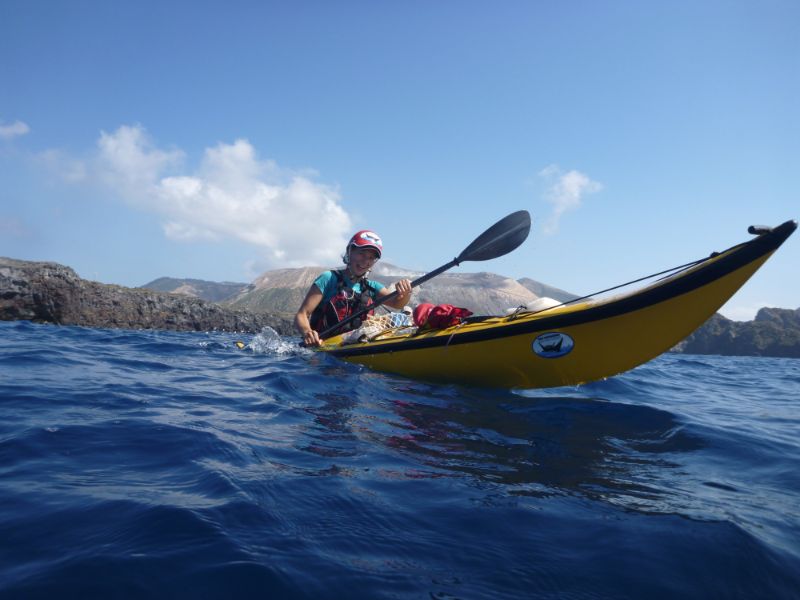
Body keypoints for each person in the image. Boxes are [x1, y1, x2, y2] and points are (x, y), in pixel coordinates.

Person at [295, 230, 413, 347]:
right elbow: (302, 314)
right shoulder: (328, 278)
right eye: (362, 253)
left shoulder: (372, 287)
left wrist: (406, 291)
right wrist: (307, 333)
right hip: (322, 350)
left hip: (354, 346)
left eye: (371, 258)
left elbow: (397, 303)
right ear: (349, 251)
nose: (366, 261)